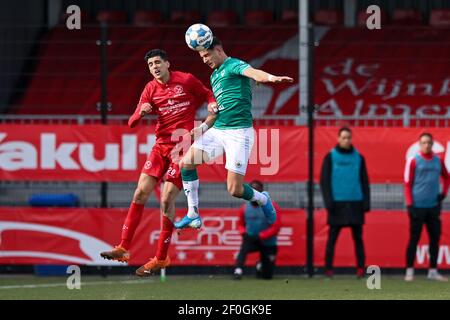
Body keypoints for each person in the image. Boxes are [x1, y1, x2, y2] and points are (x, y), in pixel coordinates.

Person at [100, 49, 217, 276]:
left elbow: (207, 94)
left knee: (165, 201)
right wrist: (140, 113)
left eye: (157, 62)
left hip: (182, 147)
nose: (154, 67)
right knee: (139, 194)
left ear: (167, 63)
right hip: (160, 147)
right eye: (150, 64)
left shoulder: (186, 80)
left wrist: (212, 104)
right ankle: (123, 248)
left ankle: (161, 258)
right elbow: (131, 123)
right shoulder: (150, 89)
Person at [174, 37, 293, 230]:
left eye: (206, 55)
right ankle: (193, 214)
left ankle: (263, 199)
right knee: (186, 164)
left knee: (235, 190)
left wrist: (271, 78)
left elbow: (254, 73)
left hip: (239, 134)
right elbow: (218, 111)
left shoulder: (233, 64)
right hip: (219, 130)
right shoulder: (214, 76)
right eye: (201, 57)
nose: (204, 60)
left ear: (219, 49)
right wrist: (203, 128)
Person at [320, 127, 370, 278]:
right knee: (332, 239)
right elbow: (324, 181)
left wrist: (366, 203)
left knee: (358, 239)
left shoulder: (359, 157)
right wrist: (329, 202)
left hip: (356, 203)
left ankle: (361, 270)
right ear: (338, 138)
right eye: (343, 137)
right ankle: (328, 270)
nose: (346, 140)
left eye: (348, 137)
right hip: (337, 204)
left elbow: (364, 181)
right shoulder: (330, 156)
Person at [404, 132, 449, 282]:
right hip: (417, 207)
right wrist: (410, 205)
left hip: (433, 207)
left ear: (433, 144)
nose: (427, 145)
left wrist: (443, 193)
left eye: (429, 143)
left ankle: (433, 271)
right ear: (419, 144)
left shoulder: (438, 161)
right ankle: (409, 271)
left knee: (434, 239)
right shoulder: (413, 161)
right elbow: (407, 184)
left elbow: (447, 177)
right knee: (414, 239)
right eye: (424, 142)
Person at [233, 180, 281, 280]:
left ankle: (260, 266)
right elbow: (240, 224)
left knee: (267, 276)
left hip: (268, 242)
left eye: (257, 189)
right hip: (251, 239)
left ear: (262, 191)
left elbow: (276, 226)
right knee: (244, 247)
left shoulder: (272, 206)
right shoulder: (244, 208)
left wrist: (262, 235)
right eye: (252, 190)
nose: (254, 192)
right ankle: (238, 270)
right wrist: (243, 232)